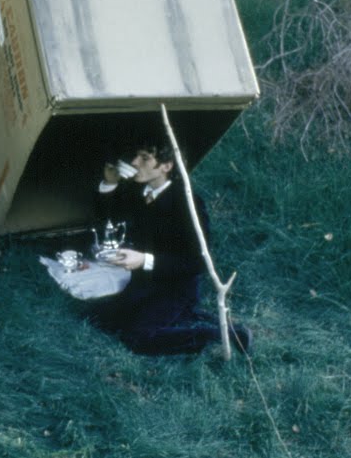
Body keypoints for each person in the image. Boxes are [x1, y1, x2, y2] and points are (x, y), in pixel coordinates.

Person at [84, 139, 252, 356]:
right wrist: (110, 182)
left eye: (145, 158)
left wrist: (144, 260)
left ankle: (224, 335)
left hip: (176, 288)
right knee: (96, 318)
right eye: (136, 156)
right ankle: (188, 316)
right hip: (144, 282)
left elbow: (197, 262)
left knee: (139, 338)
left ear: (166, 166)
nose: (134, 162)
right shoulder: (140, 191)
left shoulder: (187, 203)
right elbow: (109, 217)